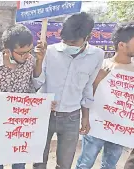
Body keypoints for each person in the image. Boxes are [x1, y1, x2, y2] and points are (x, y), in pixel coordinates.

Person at [32, 12, 105, 169]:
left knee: (64, 164)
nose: (69, 46)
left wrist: (85, 117)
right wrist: (38, 60)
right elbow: (37, 83)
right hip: (44, 114)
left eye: (73, 43)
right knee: (38, 162)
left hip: (72, 117)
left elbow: (88, 87)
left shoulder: (97, 55)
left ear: (88, 37)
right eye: (66, 41)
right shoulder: (48, 52)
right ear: (60, 35)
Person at [76, 22, 134, 169]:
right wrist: (96, 81)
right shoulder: (101, 66)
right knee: (85, 163)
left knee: (110, 165)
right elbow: (86, 95)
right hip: (96, 126)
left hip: (121, 129)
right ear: (121, 45)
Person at [0, 24, 36, 169]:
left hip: (21, 123)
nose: (26, 56)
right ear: (7, 50)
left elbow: (32, 86)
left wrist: (42, 105)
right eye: (21, 53)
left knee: (19, 163)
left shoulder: (30, 61)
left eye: (29, 51)